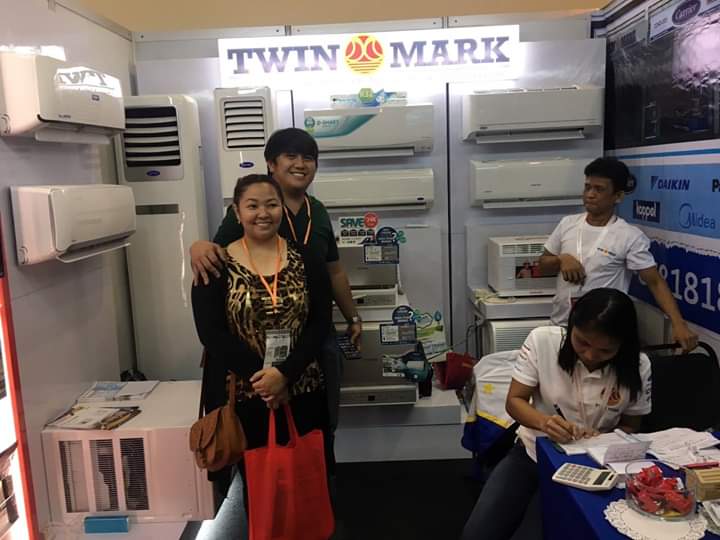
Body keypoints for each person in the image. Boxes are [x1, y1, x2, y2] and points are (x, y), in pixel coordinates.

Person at [190, 128, 360, 442]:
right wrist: (196, 246)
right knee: (255, 440)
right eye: (291, 156)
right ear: (271, 163)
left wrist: (353, 317)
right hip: (252, 342)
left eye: (308, 158)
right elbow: (215, 254)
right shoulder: (248, 210)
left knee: (320, 419)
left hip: (308, 334)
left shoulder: (317, 211)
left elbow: (334, 271)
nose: (300, 164)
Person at [460, 288, 652, 540]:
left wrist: (603, 438)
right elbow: (515, 401)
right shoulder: (543, 341)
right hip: (532, 452)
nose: (590, 355)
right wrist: (545, 422)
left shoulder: (638, 365)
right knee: (477, 533)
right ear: (571, 326)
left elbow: (631, 425)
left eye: (605, 350)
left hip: (592, 466)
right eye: (582, 342)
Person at [191, 174, 332, 515]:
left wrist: (284, 374)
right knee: (259, 488)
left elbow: (319, 323)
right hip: (242, 395)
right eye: (252, 206)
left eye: (271, 204)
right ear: (236, 213)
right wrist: (264, 379)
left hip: (302, 387)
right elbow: (211, 333)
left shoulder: (307, 259)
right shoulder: (216, 265)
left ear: (282, 208)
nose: (263, 213)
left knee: (307, 478)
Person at [538, 157, 697, 352]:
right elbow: (543, 264)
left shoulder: (629, 235)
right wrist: (562, 259)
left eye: (599, 189)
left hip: (603, 334)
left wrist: (678, 324)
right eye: (587, 187)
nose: (590, 194)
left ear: (618, 196)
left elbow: (655, 282)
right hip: (561, 327)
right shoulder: (567, 224)